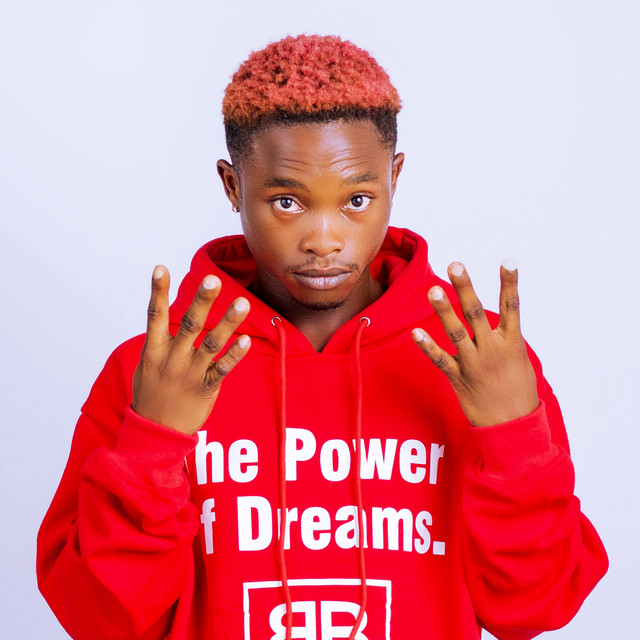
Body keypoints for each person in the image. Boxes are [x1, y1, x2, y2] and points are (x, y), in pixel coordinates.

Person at [37, 34, 608, 640]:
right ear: (232, 187)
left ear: (395, 177)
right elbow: (99, 620)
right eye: (287, 201)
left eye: (357, 199)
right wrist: (152, 447)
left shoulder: (477, 358)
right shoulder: (157, 367)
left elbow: (536, 606)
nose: (325, 240)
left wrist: (515, 438)